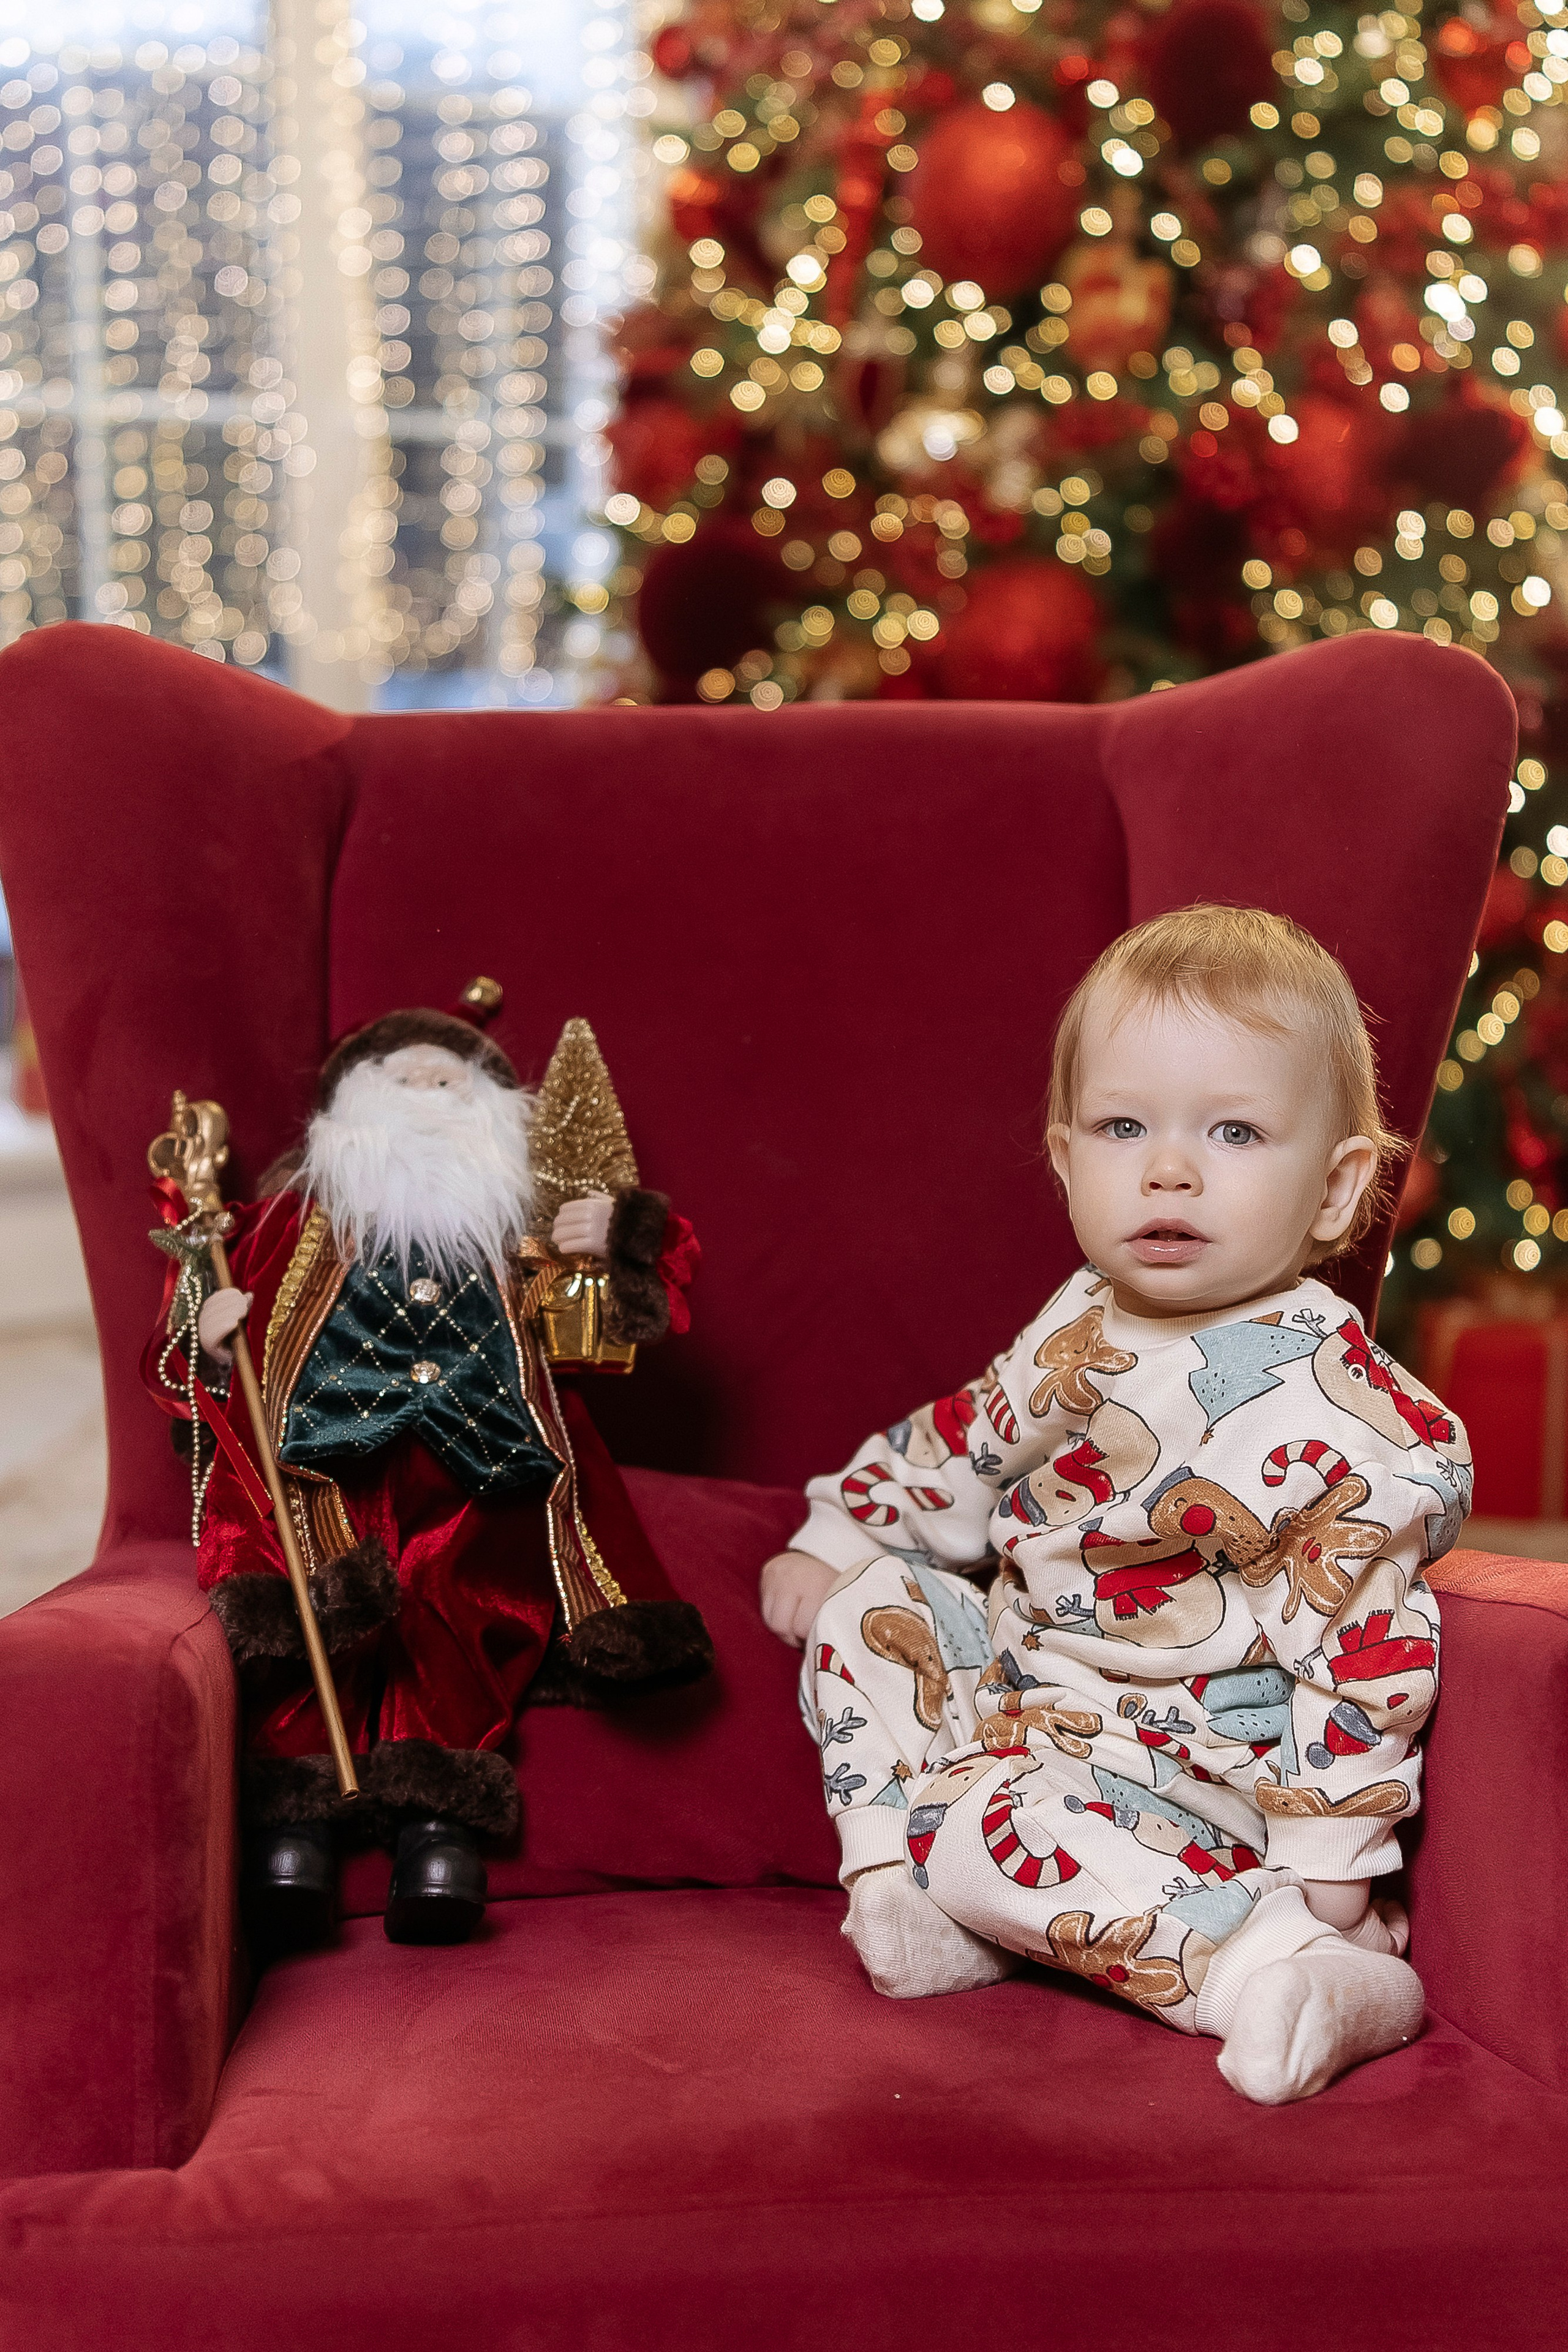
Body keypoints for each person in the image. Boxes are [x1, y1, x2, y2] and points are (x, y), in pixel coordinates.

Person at [760, 907, 1469, 2105]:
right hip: (1035, 1701)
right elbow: (976, 1435)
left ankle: (1275, 1966)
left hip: (1191, 1762)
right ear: (1064, 1158)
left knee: (993, 1845)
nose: (1167, 1168)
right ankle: (900, 1891)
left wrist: (1326, 1866)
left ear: (1337, 1188)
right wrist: (845, 1523)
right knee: (870, 1609)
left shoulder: (1327, 1415)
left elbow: (1364, 1648)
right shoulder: (1081, 1320)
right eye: (1122, 1126)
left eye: (1233, 1131)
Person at [147, 985, 706, 1952]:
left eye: (448, 1083)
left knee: (465, 1612)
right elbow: (193, 1338)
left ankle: (439, 1827)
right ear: (347, 1115)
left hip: (483, 1467)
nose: (424, 1093)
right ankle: (295, 1832)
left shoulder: (517, 1227)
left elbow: (611, 1333)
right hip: (325, 1466)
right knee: (313, 1614)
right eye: (399, 1082)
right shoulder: (292, 1223)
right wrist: (207, 1329)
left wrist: (616, 1244)